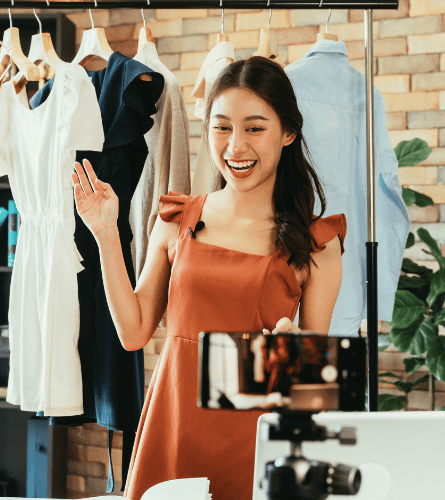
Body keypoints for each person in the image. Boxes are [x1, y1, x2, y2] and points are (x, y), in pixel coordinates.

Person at [71, 56, 347, 500]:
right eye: (222, 127)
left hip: (255, 441)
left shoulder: (316, 242)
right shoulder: (179, 216)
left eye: (254, 128)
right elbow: (134, 331)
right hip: (174, 424)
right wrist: (106, 234)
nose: (235, 147)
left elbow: (310, 392)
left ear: (289, 133)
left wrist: (296, 350)